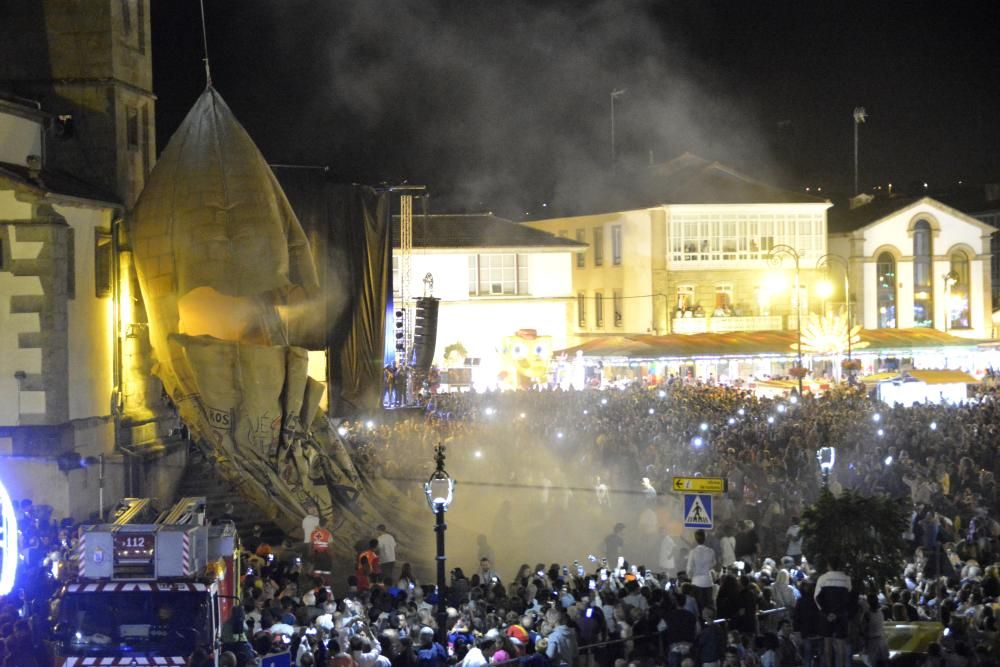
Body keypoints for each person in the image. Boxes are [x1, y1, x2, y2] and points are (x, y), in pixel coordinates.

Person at [814, 556, 852, 667]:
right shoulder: (846, 578)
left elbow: (817, 597)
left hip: (826, 616)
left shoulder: (822, 578)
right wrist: (837, 613)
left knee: (827, 645)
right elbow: (847, 597)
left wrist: (827, 613)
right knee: (841, 646)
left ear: (829, 565)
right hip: (841, 615)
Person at [686, 529, 717, 612]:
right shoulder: (711, 551)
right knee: (709, 607)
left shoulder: (693, 552)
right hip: (708, 581)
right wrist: (707, 567)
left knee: (698, 607)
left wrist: (690, 577)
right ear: (705, 538)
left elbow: (689, 568)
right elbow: (714, 563)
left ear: (696, 539)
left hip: (696, 582)